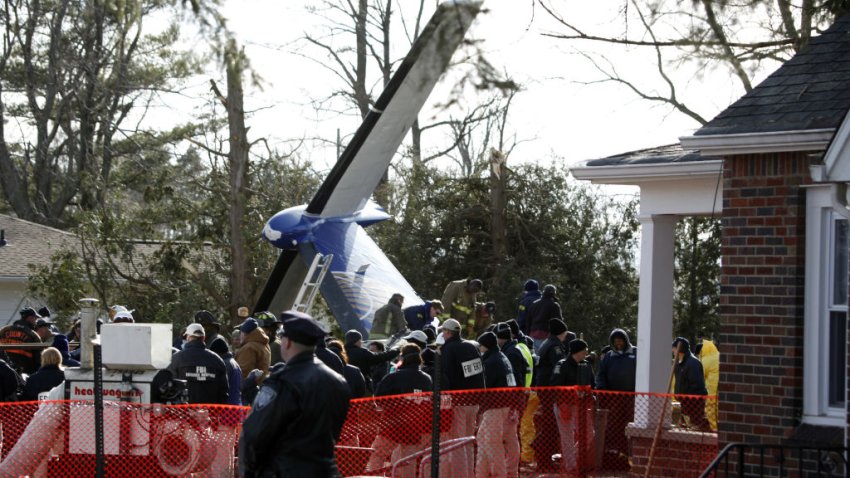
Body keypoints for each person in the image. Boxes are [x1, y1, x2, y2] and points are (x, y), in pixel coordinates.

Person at [238, 313, 351, 477]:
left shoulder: (282, 381)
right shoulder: (338, 382)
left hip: (284, 471)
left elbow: (254, 434)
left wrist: (248, 472)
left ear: (287, 342)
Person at [366, 343, 433, 473]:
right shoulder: (427, 379)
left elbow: (379, 399)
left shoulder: (394, 377)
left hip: (392, 424)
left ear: (403, 358)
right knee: (408, 461)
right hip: (414, 425)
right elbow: (428, 402)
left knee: (377, 455)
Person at [438, 318, 484, 476]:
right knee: (469, 442)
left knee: (457, 444)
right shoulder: (471, 347)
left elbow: (446, 378)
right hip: (474, 402)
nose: (442, 335)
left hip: (458, 403)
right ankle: (469, 474)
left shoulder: (448, 349)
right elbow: (479, 375)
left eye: (443, 332)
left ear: (448, 332)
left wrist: (445, 404)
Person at [475, 331, 520, 478]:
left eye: (480, 346)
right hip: (507, 405)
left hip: (495, 407)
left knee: (492, 444)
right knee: (486, 439)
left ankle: (499, 474)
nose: (479, 349)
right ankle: (498, 473)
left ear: (485, 346)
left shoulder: (491, 362)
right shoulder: (503, 358)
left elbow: (485, 386)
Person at [595, 327, 637, 471]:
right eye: (616, 342)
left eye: (621, 341)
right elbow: (601, 375)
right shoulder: (609, 357)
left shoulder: (636, 354)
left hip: (632, 399)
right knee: (614, 428)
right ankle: (615, 459)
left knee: (630, 428)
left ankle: (630, 459)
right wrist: (603, 391)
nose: (619, 344)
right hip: (614, 400)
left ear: (625, 341)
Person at [550, 339, 595, 474]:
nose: (586, 353)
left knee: (589, 434)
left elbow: (592, 384)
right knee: (567, 436)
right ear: (579, 351)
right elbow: (555, 386)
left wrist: (591, 397)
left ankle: (572, 458)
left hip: (581, 406)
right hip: (565, 405)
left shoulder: (586, 365)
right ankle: (571, 467)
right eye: (584, 350)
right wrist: (562, 404)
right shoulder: (562, 365)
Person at [167, 323, 229, 404]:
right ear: (203, 338)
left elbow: (169, 387)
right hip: (210, 413)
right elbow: (224, 392)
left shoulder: (176, 359)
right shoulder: (217, 360)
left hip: (183, 413)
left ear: (188, 337)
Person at [344, 329, 399, 394]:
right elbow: (378, 357)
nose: (361, 342)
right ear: (357, 340)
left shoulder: (342, 352)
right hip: (362, 385)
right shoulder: (361, 352)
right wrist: (396, 351)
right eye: (360, 340)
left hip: (346, 387)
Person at [672, 337, 710, 430]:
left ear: (679, 349)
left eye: (674, 348)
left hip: (693, 405)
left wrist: (689, 402)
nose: (672, 350)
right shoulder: (678, 364)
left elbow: (697, 386)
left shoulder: (693, 363)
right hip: (683, 404)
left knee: (694, 430)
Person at [0, 307, 44, 374]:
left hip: (3, 371)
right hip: (25, 374)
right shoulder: (33, 335)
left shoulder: (4, 330)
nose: (36, 321)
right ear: (29, 318)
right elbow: (39, 359)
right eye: (35, 318)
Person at [524, 284, 564, 353]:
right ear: (554, 294)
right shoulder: (554, 305)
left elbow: (528, 322)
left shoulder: (534, 304)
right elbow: (558, 323)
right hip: (546, 336)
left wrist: (527, 335)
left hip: (532, 335)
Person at [535, 318, 573, 387]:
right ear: (560, 332)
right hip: (549, 386)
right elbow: (561, 365)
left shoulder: (547, 342)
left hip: (542, 383)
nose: (566, 335)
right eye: (565, 332)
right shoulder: (555, 346)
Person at [209, 339, 242, 406]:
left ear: (217, 353)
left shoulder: (224, 364)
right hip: (236, 405)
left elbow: (222, 388)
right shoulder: (233, 362)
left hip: (228, 408)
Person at [495, 322, 526, 389]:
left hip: (514, 395)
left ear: (501, 338)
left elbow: (516, 378)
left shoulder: (512, 353)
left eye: (495, 337)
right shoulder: (509, 350)